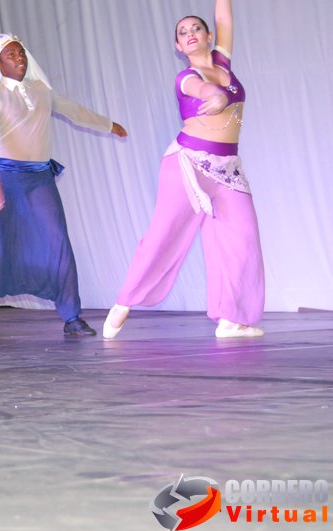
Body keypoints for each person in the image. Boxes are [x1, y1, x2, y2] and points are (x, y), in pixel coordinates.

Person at [103, 0, 264, 340]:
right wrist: (214, 94)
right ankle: (124, 302)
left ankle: (231, 319)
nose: (190, 34)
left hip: (228, 169)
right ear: (178, 46)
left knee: (244, 238)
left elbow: (224, 15)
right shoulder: (187, 77)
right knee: (164, 234)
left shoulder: (223, 62)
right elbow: (200, 89)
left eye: (196, 29)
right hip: (188, 164)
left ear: (209, 36)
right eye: (183, 32)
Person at [0, 34, 128, 337]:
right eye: (11, 55)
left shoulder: (41, 91)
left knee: (57, 240)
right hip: (5, 179)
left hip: (39, 180)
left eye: (21, 53)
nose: (19, 58)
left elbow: (75, 111)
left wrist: (108, 124)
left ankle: (72, 316)